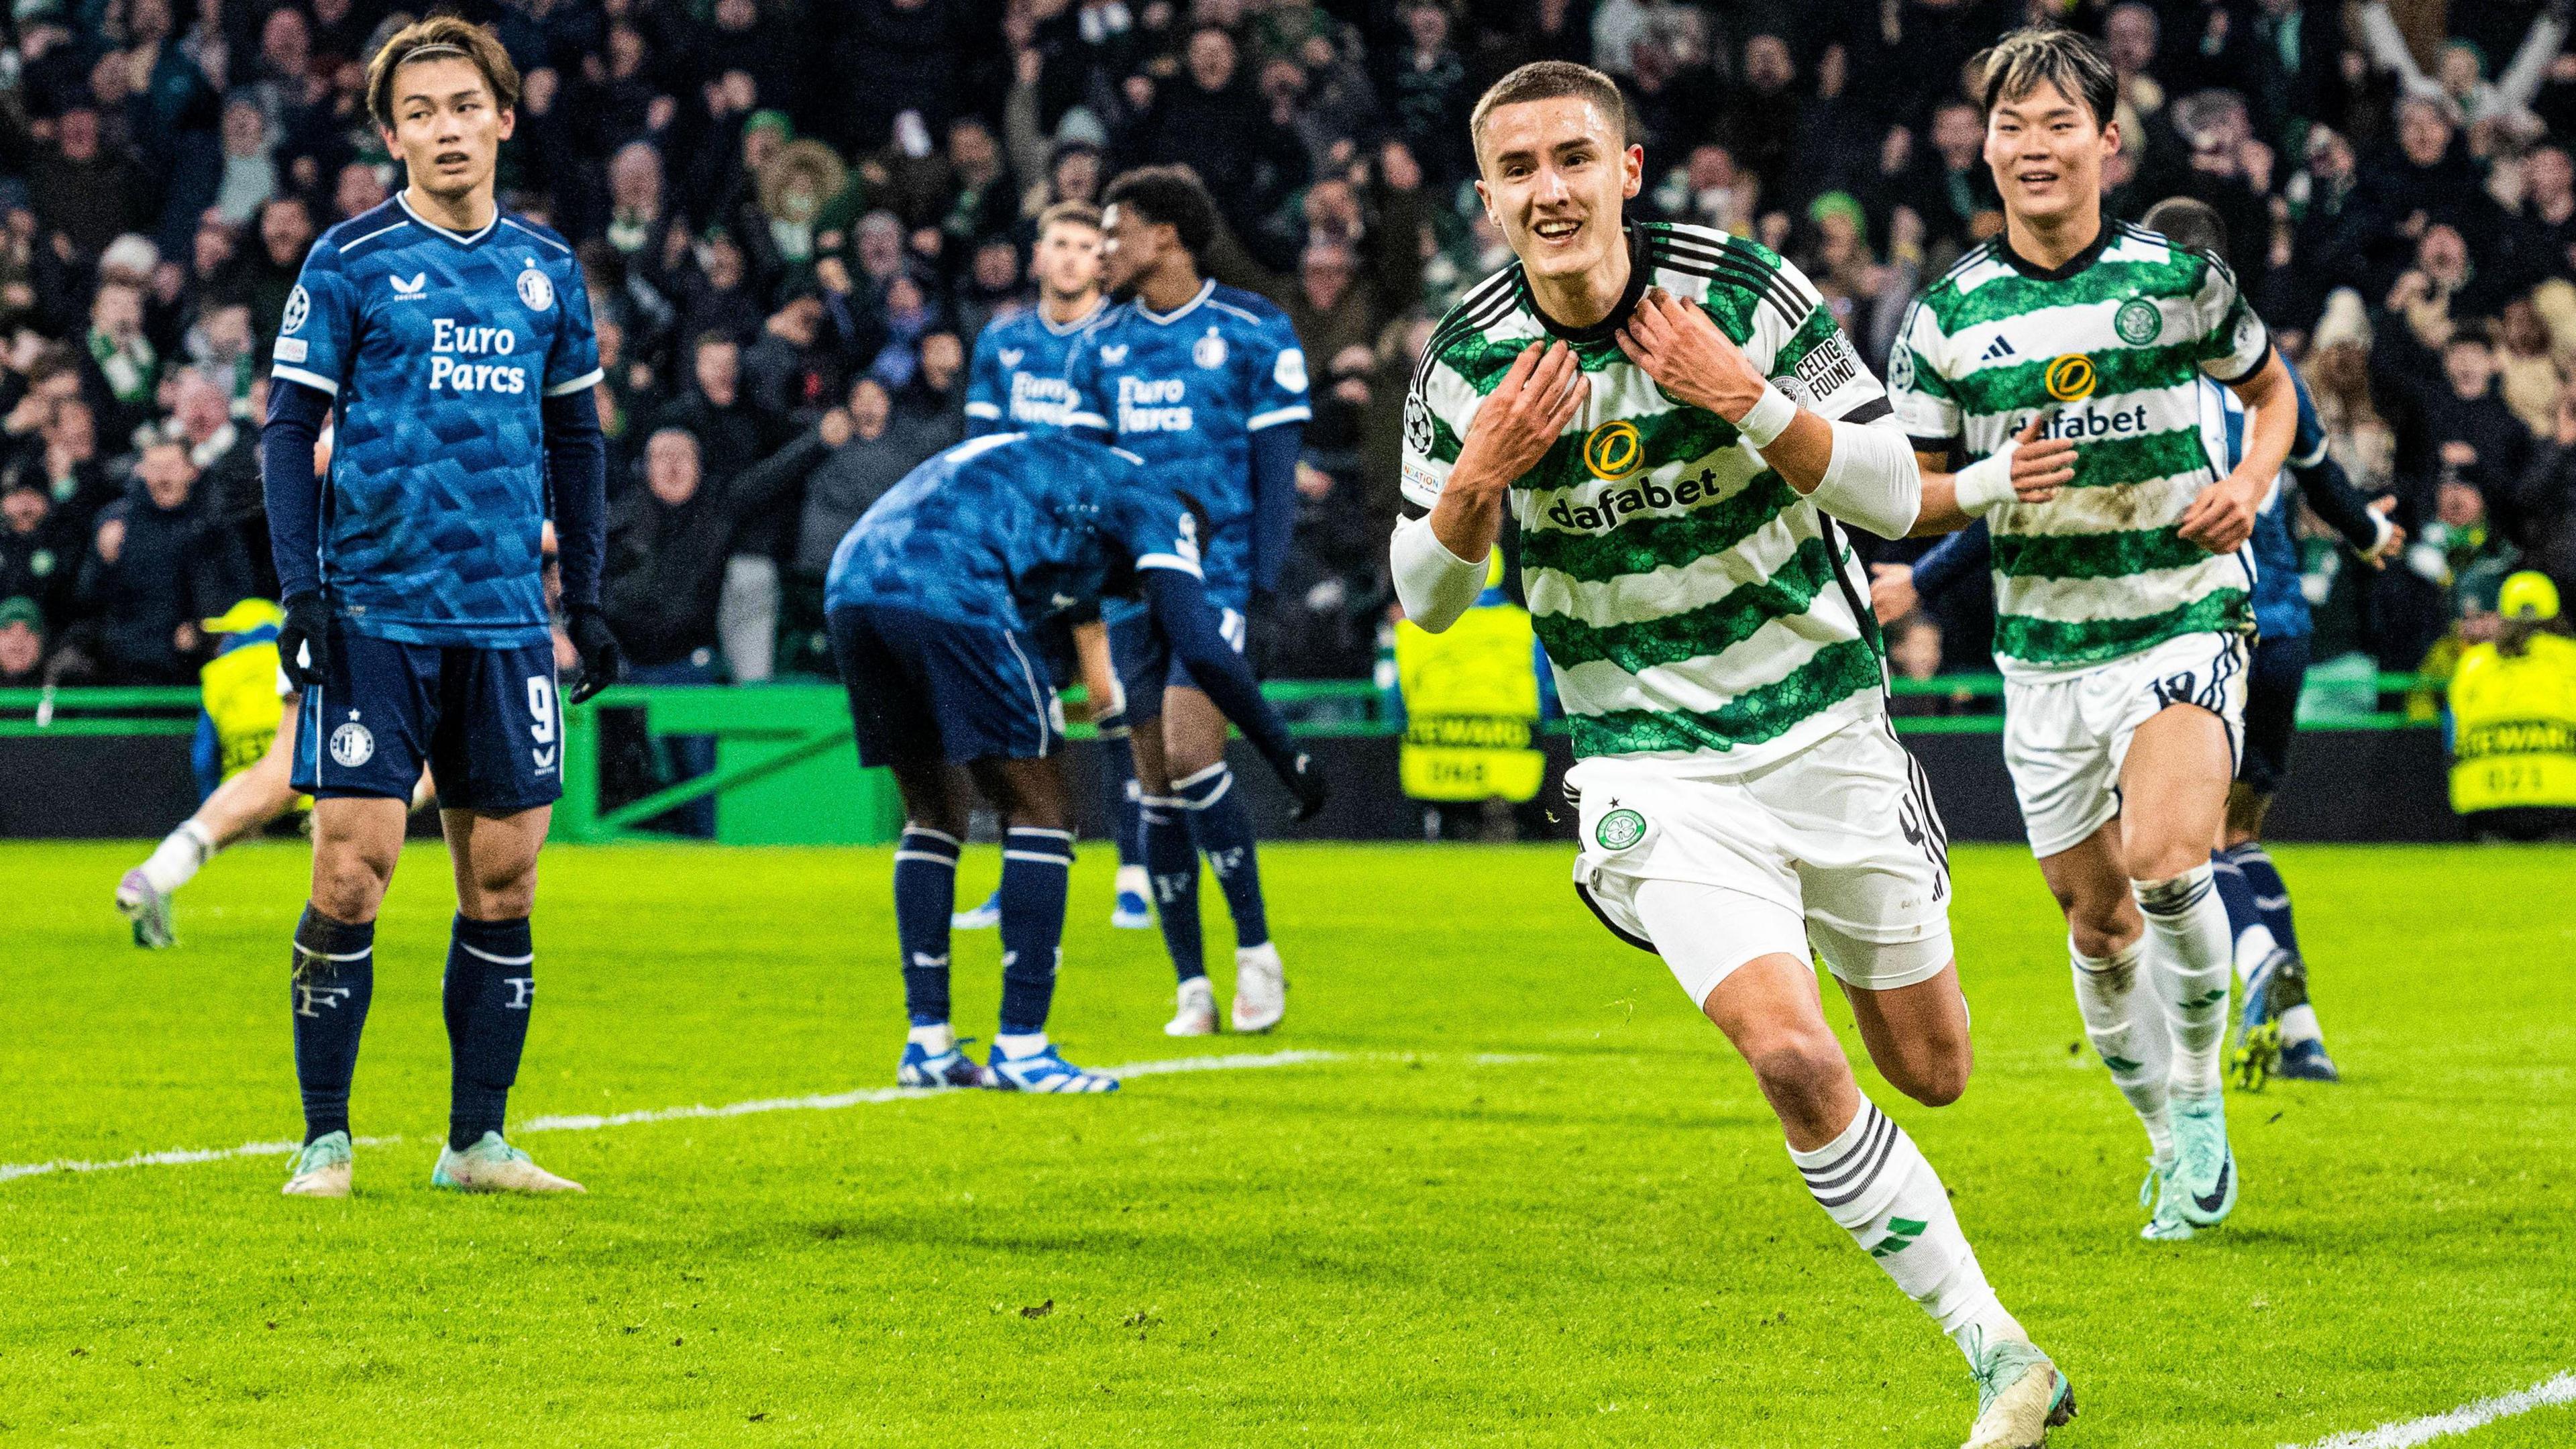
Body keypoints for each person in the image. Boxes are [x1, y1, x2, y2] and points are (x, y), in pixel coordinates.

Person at [1389, 61, 2074, 1448]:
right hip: (1650, 764)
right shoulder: (1465, 366)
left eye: (1573, 159)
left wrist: (1745, 396)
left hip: (1822, 724)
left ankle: (1818, 914)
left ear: (1628, 171)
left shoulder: (1745, 290)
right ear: (1486, 199)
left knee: (1931, 1069)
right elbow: (1427, 596)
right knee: (1793, 1060)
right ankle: (2002, 1354)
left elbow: (1889, 495)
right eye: (1517, 170)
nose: (1549, 190)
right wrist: (1481, 477)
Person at [1884, 30, 2302, 1243]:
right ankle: (2165, 1126)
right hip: (2045, 653)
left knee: (2172, 865)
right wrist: (1987, 483)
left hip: (2182, 610)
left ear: (2106, 144)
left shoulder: (2176, 279)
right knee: (2097, 922)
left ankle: (2204, 1104)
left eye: (2058, 124)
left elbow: (2273, 394)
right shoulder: (1946, 316)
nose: (2033, 147)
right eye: (2012, 127)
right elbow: (1911, 497)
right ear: (1987, 150)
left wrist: (2255, 488)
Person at [258, 17, 623, 1199]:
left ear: (504, 119)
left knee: (505, 881)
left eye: (464, 106)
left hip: (508, 621)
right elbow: (286, 432)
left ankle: (476, 1142)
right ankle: (325, 1136)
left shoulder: (548, 271)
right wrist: (303, 588)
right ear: (391, 136)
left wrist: (593, 597)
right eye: (419, 113)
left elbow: (579, 439)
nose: (445, 129)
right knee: (351, 871)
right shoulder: (350, 261)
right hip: (376, 612)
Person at [825, 431, 1324, 1093]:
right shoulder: (1162, 504)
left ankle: (928, 1044)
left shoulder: (1073, 484)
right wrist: (1288, 757)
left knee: (933, 812)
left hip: (852, 579)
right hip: (951, 579)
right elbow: (1201, 650)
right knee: (1042, 812)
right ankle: (1022, 1046)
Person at [1062, 166, 1310, 1036]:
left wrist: (1267, 590)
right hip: (1132, 586)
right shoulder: (1096, 348)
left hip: (1222, 576)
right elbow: (1087, 482)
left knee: (1193, 752)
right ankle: (1192, 987)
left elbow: (1277, 480)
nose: (1103, 249)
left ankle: (1255, 952)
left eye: (1115, 231)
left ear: (1165, 235)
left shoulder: (1252, 332)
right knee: (1155, 784)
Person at [951, 199, 1155, 932]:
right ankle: (1020, 879)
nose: (1070, 257)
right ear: (1036, 257)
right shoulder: (1002, 343)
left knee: (1116, 705)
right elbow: (979, 455)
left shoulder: (1124, 339)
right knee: (1019, 714)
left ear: (1102, 261)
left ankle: (1137, 873)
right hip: (1023, 557)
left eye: (1082, 245)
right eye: (1058, 243)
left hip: (1101, 551)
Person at [115, 596, 437, 947]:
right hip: (411, 616)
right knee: (447, 756)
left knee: (281, 771)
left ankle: (160, 872)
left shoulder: (223, 669)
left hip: (317, 616)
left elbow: (205, 755)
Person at [2447, 571, 2576, 840]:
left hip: (2485, 804)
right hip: (2562, 801)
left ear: (2502, 616)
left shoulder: (2472, 665)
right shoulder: (2571, 658)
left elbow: (2456, 732)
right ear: (2556, 616)